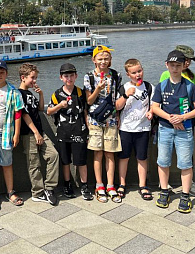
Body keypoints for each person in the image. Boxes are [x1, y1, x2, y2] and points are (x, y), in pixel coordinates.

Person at [151, 50, 195, 213]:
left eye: (178, 65)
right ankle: (164, 191)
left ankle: (185, 195)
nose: (175, 69)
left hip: (185, 130)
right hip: (165, 129)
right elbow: (155, 107)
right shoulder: (161, 86)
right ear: (166, 65)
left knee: (185, 164)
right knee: (163, 161)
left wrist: (182, 117)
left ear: (183, 66)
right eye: (172, 65)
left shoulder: (190, 86)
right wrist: (171, 118)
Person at [0, 59, 25, 210]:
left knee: (7, 163)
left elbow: (18, 113)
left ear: (6, 73)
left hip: (6, 133)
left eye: (2, 72)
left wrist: (17, 133)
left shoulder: (13, 91)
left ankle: (10, 191)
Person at [84, 45, 122, 203]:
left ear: (110, 59)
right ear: (94, 60)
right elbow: (89, 101)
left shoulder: (116, 75)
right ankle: (99, 185)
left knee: (110, 153)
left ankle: (110, 186)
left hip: (111, 118)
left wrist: (118, 115)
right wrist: (97, 89)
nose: (103, 61)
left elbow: (117, 98)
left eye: (106, 58)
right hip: (95, 119)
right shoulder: (89, 76)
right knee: (98, 153)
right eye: (100, 58)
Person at [48, 63, 90, 200]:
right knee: (65, 161)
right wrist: (60, 106)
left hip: (79, 131)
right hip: (63, 132)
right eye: (66, 76)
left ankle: (84, 185)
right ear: (61, 77)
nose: (69, 79)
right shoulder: (57, 94)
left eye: (72, 75)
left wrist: (88, 129)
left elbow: (85, 111)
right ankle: (67, 184)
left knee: (81, 160)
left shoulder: (80, 93)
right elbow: (49, 111)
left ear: (76, 76)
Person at [19, 63, 60, 205]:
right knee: (34, 164)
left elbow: (40, 109)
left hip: (40, 131)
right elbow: (24, 115)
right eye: (32, 78)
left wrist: (41, 94)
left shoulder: (30, 93)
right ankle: (37, 192)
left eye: (35, 77)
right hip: (29, 134)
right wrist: (36, 133)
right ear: (23, 77)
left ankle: (49, 188)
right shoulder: (19, 94)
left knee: (53, 155)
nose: (34, 80)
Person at [115, 59, 154, 201]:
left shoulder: (149, 87)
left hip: (143, 128)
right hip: (126, 128)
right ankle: (122, 184)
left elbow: (154, 104)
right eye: (134, 73)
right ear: (128, 74)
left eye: (139, 71)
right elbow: (117, 106)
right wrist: (126, 95)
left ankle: (143, 185)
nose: (138, 75)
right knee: (123, 157)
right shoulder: (123, 88)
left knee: (142, 157)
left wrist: (151, 112)